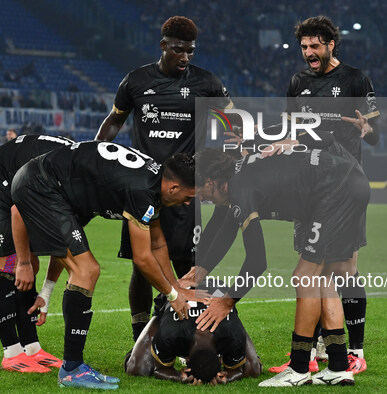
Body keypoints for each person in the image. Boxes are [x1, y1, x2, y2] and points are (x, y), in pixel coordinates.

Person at [10, 141, 198, 389]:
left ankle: (73, 367)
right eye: (188, 197)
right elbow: (142, 258)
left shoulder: (153, 179)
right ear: (174, 187)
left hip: (50, 186)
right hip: (41, 187)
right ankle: (72, 369)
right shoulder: (143, 189)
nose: (187, 204)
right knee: (86, 270)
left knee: (84, 267)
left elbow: (157, 243)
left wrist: (176, 287)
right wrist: (172, 294)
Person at [96, 15, 233, 343]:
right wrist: (97, 155)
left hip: (187, 190)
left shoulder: (206, 84)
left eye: (190, 51)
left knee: (190, 265)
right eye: (179, 50)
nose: (185, 57)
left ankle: (189, 337)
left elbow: (234, 120)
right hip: (143, 190)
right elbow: (113, 123)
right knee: (142, 270)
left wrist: (234, 147)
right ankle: (139, 337)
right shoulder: (136, 82)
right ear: (163, 46)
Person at [194, 131, 368, 386]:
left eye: (199, 190)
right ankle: (339, 367)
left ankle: (298, 370)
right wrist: (202, 269)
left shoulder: (240, 189)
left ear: (211, 181)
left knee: (304, 277)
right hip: (348, 181)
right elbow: (226, 229)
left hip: (335, 187)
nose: (200, 198)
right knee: (323, 279)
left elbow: (257, 261)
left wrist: (227, 302)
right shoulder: (238, 180)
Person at [264, 16, 379, 372]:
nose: (309, 53)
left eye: (316, 46)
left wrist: (366, 127)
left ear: (332, 44)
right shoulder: (298, 82)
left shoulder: (355, 79)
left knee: (343, 270)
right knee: (311, 267)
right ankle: (312, 354)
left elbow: (375, 134)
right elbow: (292, 129)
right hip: (309, 187)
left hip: (345, 184)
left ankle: (356, 353)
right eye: (304, 47)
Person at [0, 135, 76, 373]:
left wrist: (45, 292)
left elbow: (63, 237)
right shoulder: (63, 173)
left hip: (11, 184)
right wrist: (22, 262)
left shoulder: (76, 168)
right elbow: (18, 209)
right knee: (6, 265)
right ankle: (12, 353)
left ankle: (32, 348)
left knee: (30, 265)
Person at [125, 294, 262, 385]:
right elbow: (159, 369)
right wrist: (229, 377)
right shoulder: (170, 335)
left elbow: (161, 370)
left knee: (252, 368)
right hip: (176, 294)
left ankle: (233, 319)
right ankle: (159, 318)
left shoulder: (232, 335)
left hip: (218, 297)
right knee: (137, 367)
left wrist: (178, 376)